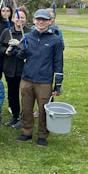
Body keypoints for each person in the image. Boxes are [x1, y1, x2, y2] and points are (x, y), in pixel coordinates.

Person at [15, 9, 64, 147]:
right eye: (38, 19)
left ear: (49, 21)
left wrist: (58, 83)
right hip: (27, 79)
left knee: (43, 110)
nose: (41, 22)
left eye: (44, 20)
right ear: (34, 20)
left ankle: (42, 135)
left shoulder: (55, 40)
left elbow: (58, 62)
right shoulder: (27, 37)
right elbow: (20, 57)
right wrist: (20, 50)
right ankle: (26, 132)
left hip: (44, 81)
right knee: (26, 108)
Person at [0, 7, 30, 128]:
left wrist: (22, 47)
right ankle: (15, 116)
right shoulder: (7, 32)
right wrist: (7, 49)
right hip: (10, 68)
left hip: (25, 69)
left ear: (26, 19)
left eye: (22, 17)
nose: (19, 20)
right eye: (17, 17)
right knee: (12, 93)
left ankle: (24, 117)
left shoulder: (29, 33)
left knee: (26, 95)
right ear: (13, 18)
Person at [0, 4, 13, 78]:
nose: (6, 13)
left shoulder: (13, 25)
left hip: (9, 56)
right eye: (3, 11)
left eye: (8, 11)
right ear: (0, 12)